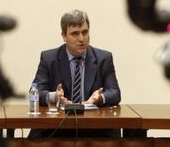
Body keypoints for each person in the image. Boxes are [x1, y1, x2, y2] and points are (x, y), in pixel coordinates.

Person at [28, 9, 121, 138]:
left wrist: (99, 98)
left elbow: (115, 92)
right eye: (75, 34)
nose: (81, 39)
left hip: (94, 127)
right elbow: (35, 92)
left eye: (85, 32)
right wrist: (55, 97)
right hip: (59, 127)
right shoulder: (49, 58)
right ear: (64, 36)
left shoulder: (103, 58)